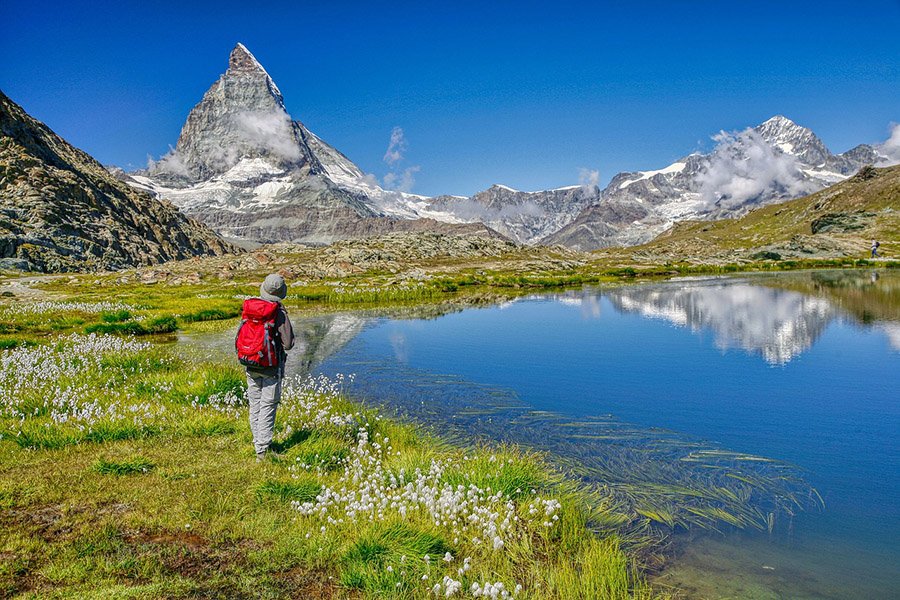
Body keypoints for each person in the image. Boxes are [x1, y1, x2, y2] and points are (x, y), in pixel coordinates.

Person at [241, 273, 294, 461]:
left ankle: (258, 441)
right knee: (268, 406)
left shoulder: (251, 307)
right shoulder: (278, 312)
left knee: (255, 404)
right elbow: (288, 343)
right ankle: (262, 451)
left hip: (250, 363)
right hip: (271, 367)